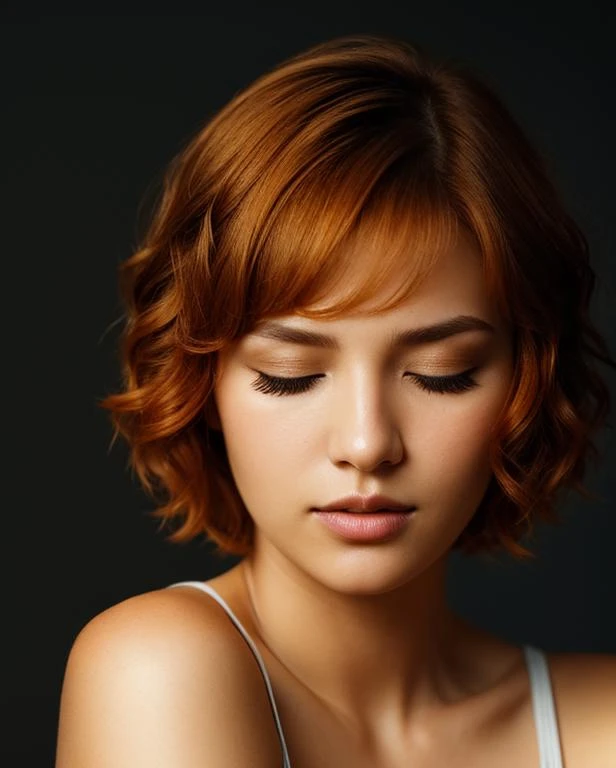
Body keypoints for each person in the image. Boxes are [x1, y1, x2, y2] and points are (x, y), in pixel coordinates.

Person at [55, 33, 615, 767]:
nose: (366, 442)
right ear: (205, 384)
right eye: (290, 373)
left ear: (525, 382)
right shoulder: (157, 669)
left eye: (443, 372)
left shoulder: (597, 721)